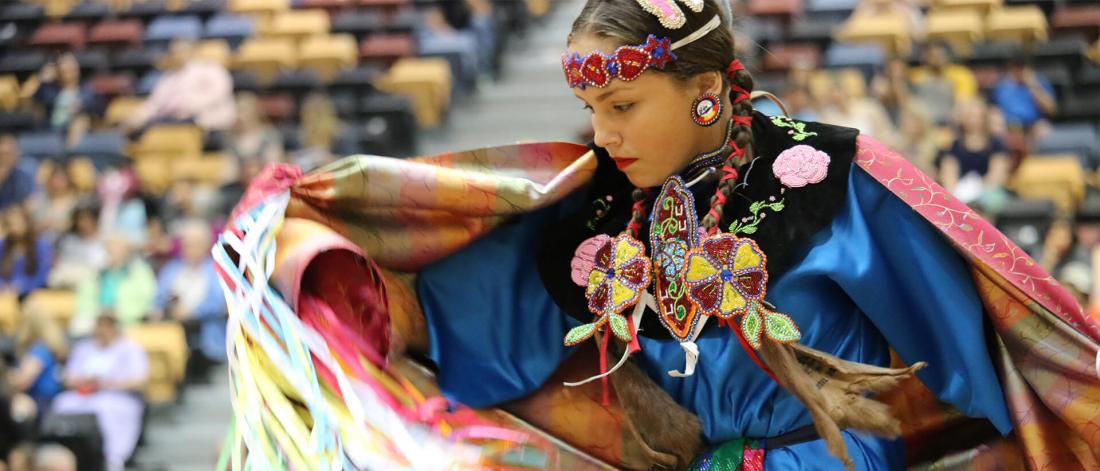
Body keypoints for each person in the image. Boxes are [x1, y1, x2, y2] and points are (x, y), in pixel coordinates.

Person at [213, 0, 1100, 469]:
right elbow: (465, 313)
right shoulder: (598, 207)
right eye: (595, 109)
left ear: (706, 90)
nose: (605, 134)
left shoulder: (829, 180)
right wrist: (323, 260)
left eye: (626, 106)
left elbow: (981, 338)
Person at [50, 314, 147, 471]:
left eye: (107, 326)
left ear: (115, 328)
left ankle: (110, 459)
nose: (102, 331)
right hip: (83, 394)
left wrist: (106, 383)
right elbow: (68, 378)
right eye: (99, 326)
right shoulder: (84, 348)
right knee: (62, 404)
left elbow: (138, 381)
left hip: (116, 396)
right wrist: (86, 381)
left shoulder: (130, 348)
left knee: (106, 411)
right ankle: (69, 456)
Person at [152, 219, 227, 365]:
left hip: (203, 335)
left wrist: (191, 312)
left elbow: (219, 302)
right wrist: (160, 309)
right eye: (186, 244)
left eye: (195, 244)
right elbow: (159, 297)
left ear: (207, 245)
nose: (190, 249)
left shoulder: (217, 270)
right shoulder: (172, 269)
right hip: (171, 332)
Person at [124, 38, 235, 134]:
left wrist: (187, 107)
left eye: (181, 51)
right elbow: (154, 103)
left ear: (192, 51)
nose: (176, 54)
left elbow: (218, 93)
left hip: (206, 122)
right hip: (170, 122)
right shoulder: (169, 77)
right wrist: (137, 118)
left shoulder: (210, 69)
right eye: (174, 52)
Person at [69, 234, 156, 336]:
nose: (113, 254)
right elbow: (84, 299)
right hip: (98, 317)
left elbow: (145, 301)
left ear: (126, 252)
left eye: (117, 250)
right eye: (110, 250)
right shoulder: (98, 273)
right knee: (78, 326)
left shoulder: (140, 273)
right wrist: (99, 313)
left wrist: (118, 312)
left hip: (126, 320)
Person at [936, 99, 1011, 211]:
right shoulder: (954, 146)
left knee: (990, 201)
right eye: (970, 116)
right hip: (960, 192)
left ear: (985, 119)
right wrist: (957, 193)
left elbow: (997, 175)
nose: (974, 121)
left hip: (987, 192)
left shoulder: (996, 144)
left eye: (978, 116)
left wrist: (978, 192)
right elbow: (949, 174)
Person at [21, 53, 102, 147]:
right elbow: (32, 99)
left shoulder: (87, 91)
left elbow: (99, 110)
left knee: (81, 121)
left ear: (77, 69)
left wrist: (81, 107)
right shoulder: (49, 90)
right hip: (51, 132)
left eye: (71, 68)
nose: (67, 70)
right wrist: (42, 79)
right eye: (63, 68)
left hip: (79, 133)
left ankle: (70, 151)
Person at [6, 306, 66, 421]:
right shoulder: (43, 347)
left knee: (13, 405)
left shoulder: (40, 349)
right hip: (43, 400)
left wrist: (5, 378)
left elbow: (23, 381)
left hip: (42, 402)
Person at [908, 42, 977, 125]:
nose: (937, 59)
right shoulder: (915, 76)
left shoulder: (960, 74)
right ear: (925, 57)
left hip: (952, 122)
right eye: (933, 55)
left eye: (940, 55)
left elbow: (964, 101)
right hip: (923, 124)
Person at [992, 52, 1057, 138]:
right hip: (1008, 126)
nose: (1020, 72)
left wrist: (1033, 85)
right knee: (996, 127)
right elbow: (994, 110)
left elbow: (1051, 110)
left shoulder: (1039, 83)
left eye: (1022, 68)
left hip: (1033, 125)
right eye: (1016, 68)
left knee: (1044, 130)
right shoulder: (1001, 86)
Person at [49, 201, 107, 289]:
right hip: (70, 282)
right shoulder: (67, 240)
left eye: (88, 218)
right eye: (80, 219)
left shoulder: (106, 239)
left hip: (97, 283)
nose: (85, 222)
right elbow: (60, 267)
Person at [0, 205, 52, 298]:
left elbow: (42, 276)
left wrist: (21, 286)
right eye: (10, 225)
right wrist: (4, 286)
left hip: (32, 294)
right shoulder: (2, 245)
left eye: (18, 224)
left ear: (27, 223)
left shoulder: (40, 245)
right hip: (5, 293)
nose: (14, 229)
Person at [0, 135, 35, 210]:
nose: (4, 158)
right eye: (2, 154)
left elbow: (29, 203)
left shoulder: (24, 177)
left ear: (17, 154)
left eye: (8, 154)